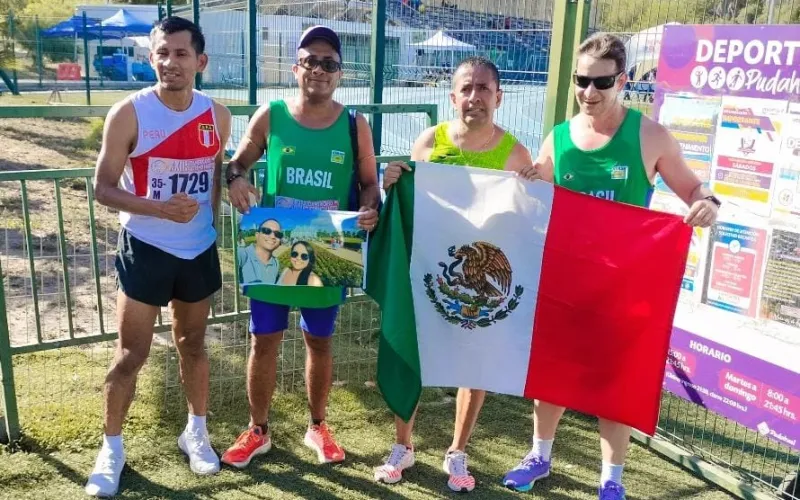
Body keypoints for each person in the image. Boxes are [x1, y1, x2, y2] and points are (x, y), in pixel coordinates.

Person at [501, 32, 719, 500]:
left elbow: (693, 189)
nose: (589, 92)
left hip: (624, 286)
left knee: (614, 383)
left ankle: (611, 479)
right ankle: (539, 455)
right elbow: (535, 193)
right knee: (552, 372)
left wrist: (708, 203)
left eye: (601, 82)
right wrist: (525, 180)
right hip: (565, 282)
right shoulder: (559, 138)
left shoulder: (649, 136)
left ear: (622, 81)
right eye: (581, 80)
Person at [85, 17, 232, 498]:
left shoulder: (218, 115)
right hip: (146, 247)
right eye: (162, 53)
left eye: (181, 53)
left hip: (198, 250)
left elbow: (216, 170)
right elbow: (103, 188)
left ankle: (196, 432)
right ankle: (111, 448)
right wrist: (159, 209)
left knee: (194, 345)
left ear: (200, 61)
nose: (171, 62)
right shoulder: (129, 113)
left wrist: (215, 216)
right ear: (151, 58)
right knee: (132, 355)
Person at [220, 25, 380, 468]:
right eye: (311, 60)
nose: (319, 70)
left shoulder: (355, 125)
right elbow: (237, 163)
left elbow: (370, 186)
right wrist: (235, 179)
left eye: (329, 63)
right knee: (263, 341)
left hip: (327, 252)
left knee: (320, 343)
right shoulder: (271, 115)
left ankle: (318, 426)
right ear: (296, 68)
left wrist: (370, 208)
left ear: (340, 73)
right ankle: (258, 430)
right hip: (272, 249)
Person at [376, 56, 533, 493]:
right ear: (452, 96)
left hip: (481, 285)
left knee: (473, 360)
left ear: (499, 97)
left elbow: (528, 219)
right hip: (430, 271)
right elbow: (410, 203)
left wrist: (533, 183)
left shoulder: (515, 153)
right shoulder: (430, 141)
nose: (474, 97)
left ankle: (457, 450)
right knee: (412, 348)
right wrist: (394, 181)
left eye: (483, 88)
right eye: (466, 88)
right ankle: (403, 445)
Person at [239, 218, 282, 285]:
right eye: (267, 231)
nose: (273, 236)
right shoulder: (242, 254)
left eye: (277, 234)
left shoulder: (276, 262)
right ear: (257, 235)